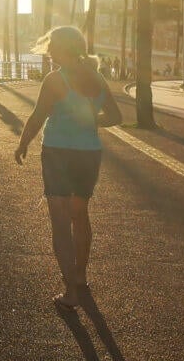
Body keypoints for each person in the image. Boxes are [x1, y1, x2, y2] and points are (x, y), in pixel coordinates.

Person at [14, 26, 122, 310]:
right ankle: (81, 277)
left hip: (58, 153)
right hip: (89, 154)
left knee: (60, 222)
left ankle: (70, 291)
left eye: (52, 47)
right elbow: (115, 116)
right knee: (80, 215)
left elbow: (38, 115)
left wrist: (23, 143)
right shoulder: (97, 77)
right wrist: (90, 121)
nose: (49, 51)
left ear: (63, 49)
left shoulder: (55, 79)